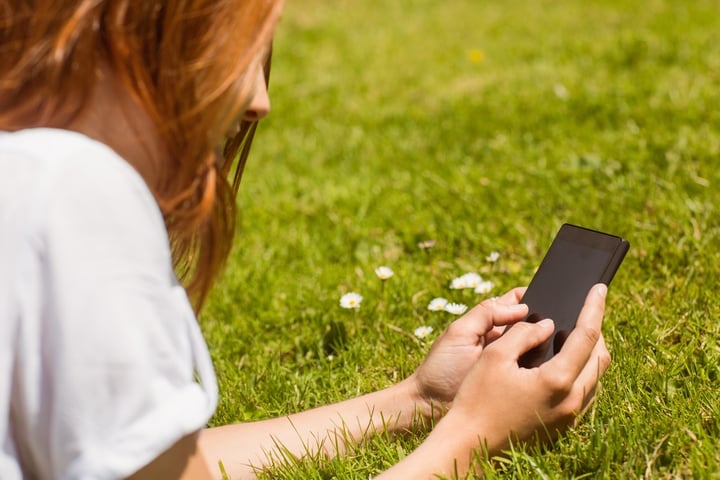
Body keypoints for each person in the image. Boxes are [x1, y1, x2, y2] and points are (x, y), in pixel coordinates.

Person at [0, 1, 611, 479]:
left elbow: (158, 465)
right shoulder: (71, 189)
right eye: (241, 38)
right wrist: (476, 437)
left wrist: (418, 401)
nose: (259, 100)